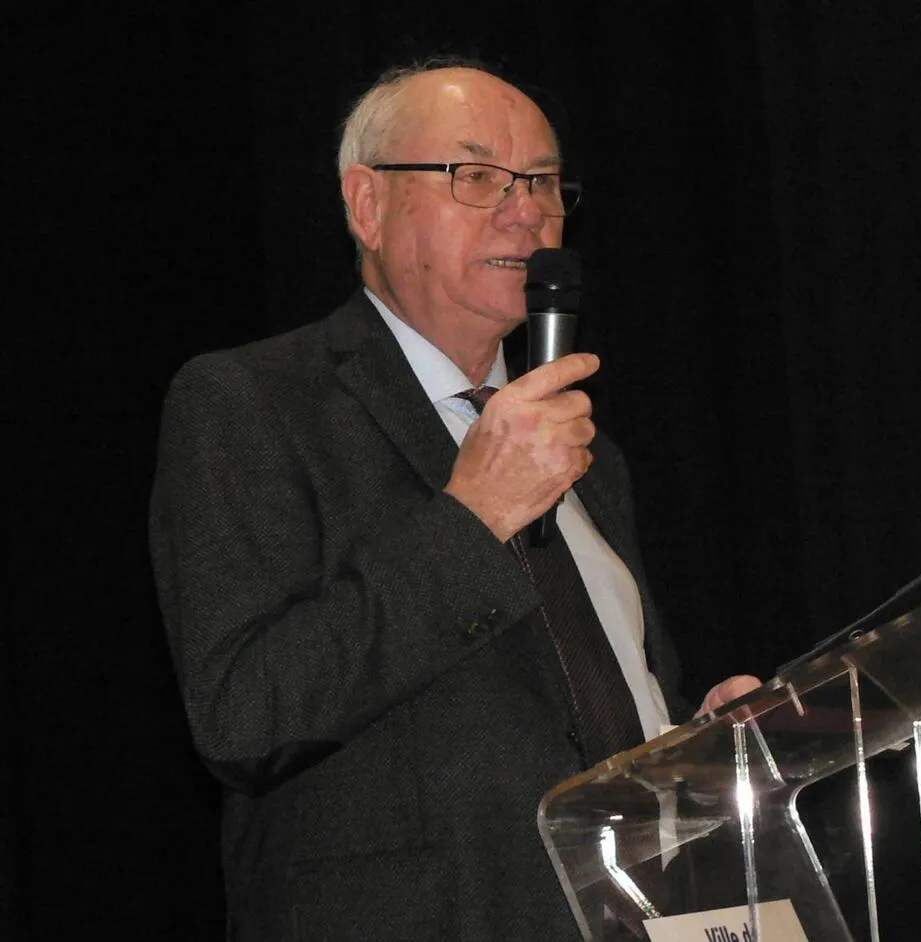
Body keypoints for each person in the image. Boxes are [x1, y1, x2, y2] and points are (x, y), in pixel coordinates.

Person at [149, 59, 759, 941]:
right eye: (476, 176)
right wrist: (474, 520)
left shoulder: (590, 456)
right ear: (367, 205)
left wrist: (690, 746)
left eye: (543, 182)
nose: (525, 210)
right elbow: (245, 717)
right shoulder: (254, 402)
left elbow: (575, 718)